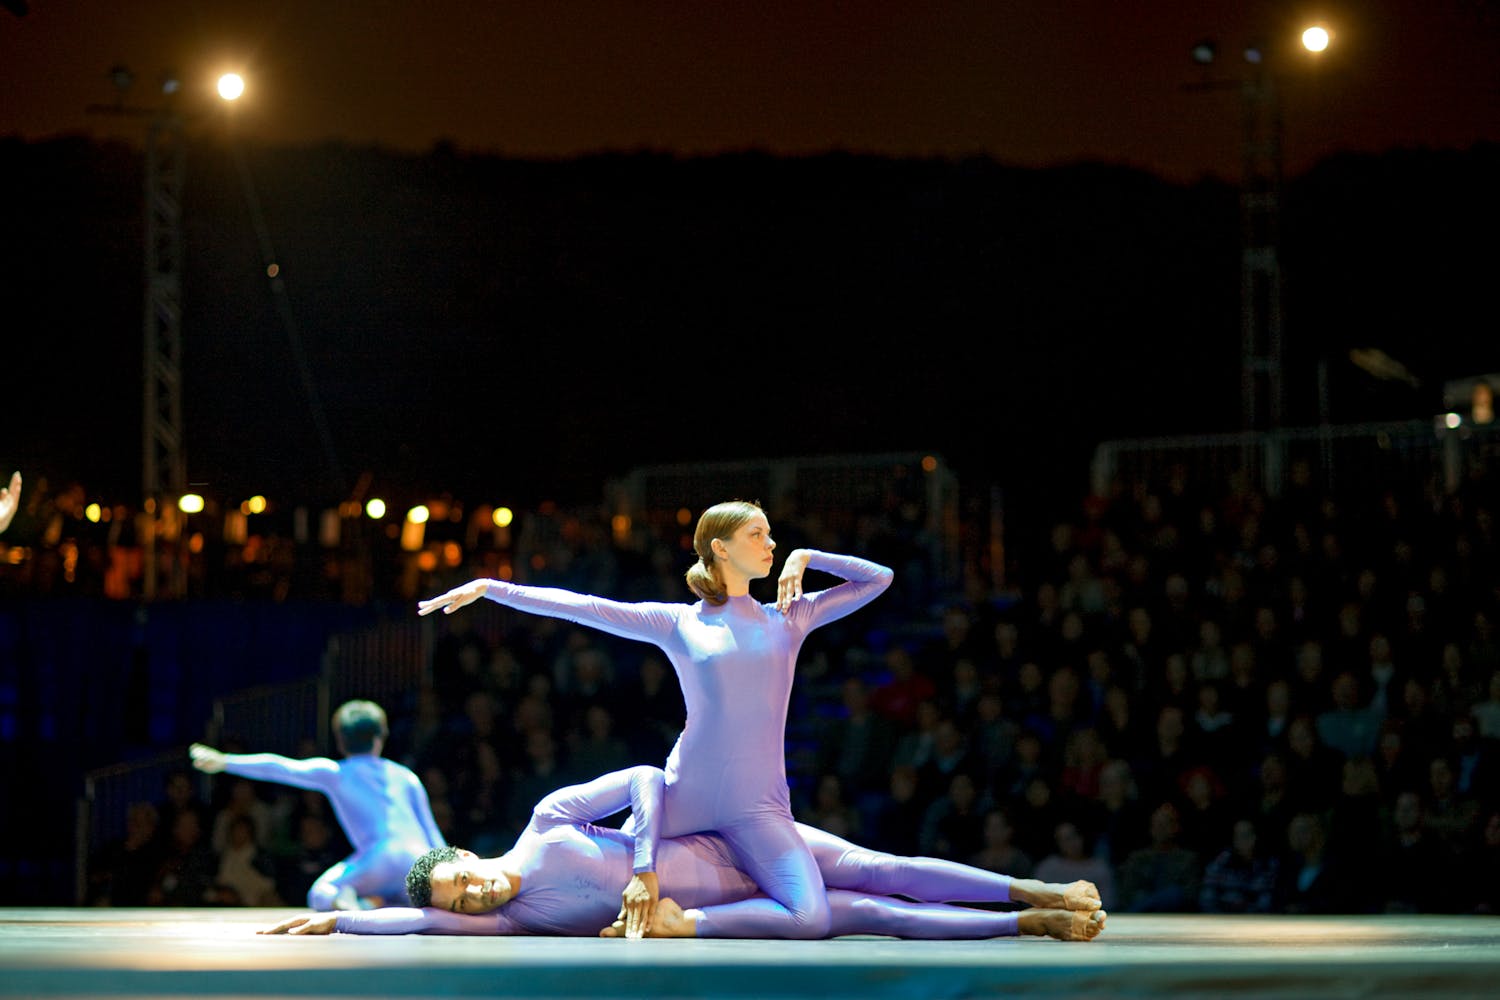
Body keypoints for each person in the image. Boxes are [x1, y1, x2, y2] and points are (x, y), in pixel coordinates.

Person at [418, 499, 894, 939]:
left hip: (751, 803)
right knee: (851, 903)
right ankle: (679, 919)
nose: (771, 545)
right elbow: (587, 607)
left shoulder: (785, 617)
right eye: (758, 535)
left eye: (771, 536)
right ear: (720, 549)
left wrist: (807, 556)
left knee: (878, 880)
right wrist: (493, 589)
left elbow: (879, 578)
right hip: (692, 796)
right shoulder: (677, 621)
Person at [261, 766, 1106, 941]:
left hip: (734, 846)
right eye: (467, 902)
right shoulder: (515, 921)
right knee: (877, 914)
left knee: (881, 868)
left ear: (468, 852)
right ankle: (1032, 921)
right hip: (735, 907)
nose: (479, 895)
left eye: (467, 879)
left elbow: (643, 778)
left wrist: (640, 866)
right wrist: (336, 925)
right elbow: (418, 929)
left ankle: (1034, 885)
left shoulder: (548, 819)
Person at [189, 699, 445, 909]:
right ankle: (376, 904)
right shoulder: (406, 775)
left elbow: (279, 767)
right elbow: (433, 835)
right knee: (402, 898)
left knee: (322, 892)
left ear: (340, 740)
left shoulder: (336, 772)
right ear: (381, 737)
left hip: (379, 858)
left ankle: (352, 906)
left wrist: (224, 761)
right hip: (418, 859)